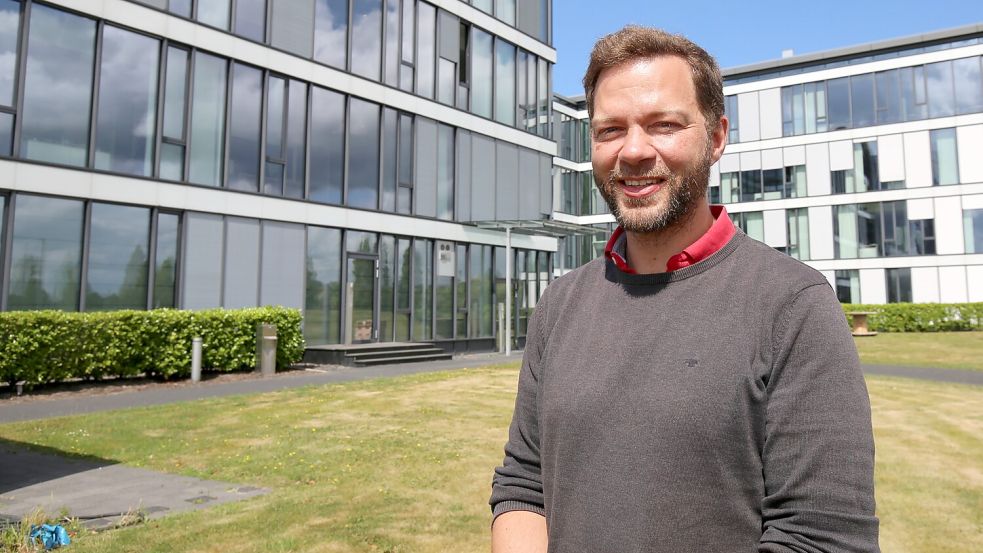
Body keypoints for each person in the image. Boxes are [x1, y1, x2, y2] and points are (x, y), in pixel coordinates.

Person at [489, 25, 879, 553]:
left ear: (716, 137)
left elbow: (821, 538)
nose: (632, 151)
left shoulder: (793, 306)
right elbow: (524, 484)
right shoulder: (560, 304)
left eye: (663, 125)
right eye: (609, 130)